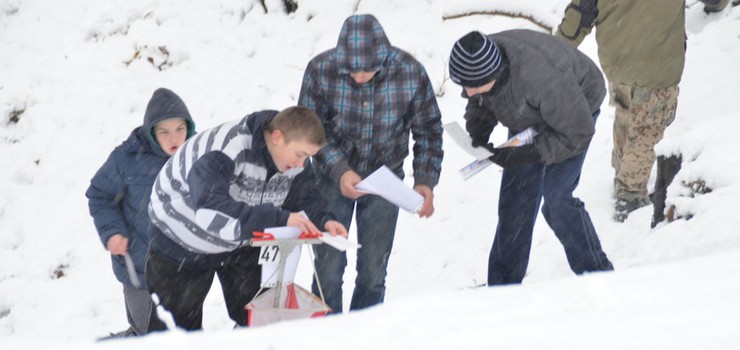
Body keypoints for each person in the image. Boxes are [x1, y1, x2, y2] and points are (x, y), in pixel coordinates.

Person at [146, 106, 347, 331]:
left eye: (306, 157)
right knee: (176, 331)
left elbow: (305, 195)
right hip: (181, 242)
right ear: (277, 137)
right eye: (300, 155)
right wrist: (278, 218)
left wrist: (324, 220)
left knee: (259, 318)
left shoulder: (291, 159)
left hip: (241, 239)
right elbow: (211, 212)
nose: (301, 164)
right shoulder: (227, 148)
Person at [298, 14, 444, 313]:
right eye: (352, 72)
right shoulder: (320, 70)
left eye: (366, 71)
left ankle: (365, 334)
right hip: (329, 179)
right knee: (327, 267)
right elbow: (309, 132)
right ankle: (325, 336)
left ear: (384, 58)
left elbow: (428, 129)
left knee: (374, 270)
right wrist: (340, 170)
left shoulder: (409, 72)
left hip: (384, 181)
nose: (359, 77)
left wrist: (425, 180)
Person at [448, 30, 614, 286]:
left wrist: (532, 153)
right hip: (527, 111)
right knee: (515, 201)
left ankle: (598, 275)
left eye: (474, 86)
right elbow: (480, 98)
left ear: (494, 73)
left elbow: (577, 133)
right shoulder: (479, 56)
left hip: (575, 110)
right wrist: (479, 126)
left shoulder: (544, 79)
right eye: (464, 86)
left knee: (556, 196)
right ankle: (503, 288)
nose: (468, 93)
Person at [555, 0, 686, 222]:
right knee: (647, 129)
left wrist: (554, 52)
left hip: (617, 63)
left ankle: (622, 172)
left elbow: (578, 15)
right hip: (658, 63)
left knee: (625, 114)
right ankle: (630, 196)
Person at [86, 87, 195, 338]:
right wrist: (113, 232)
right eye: (164, 131)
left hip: (184, 267)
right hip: (139, 265)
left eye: (180, 129)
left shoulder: (197, 154)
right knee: (147, 333)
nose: (174, 138)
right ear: (151, 131)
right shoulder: (127, 158)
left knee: (182, 335)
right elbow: (99, 195)